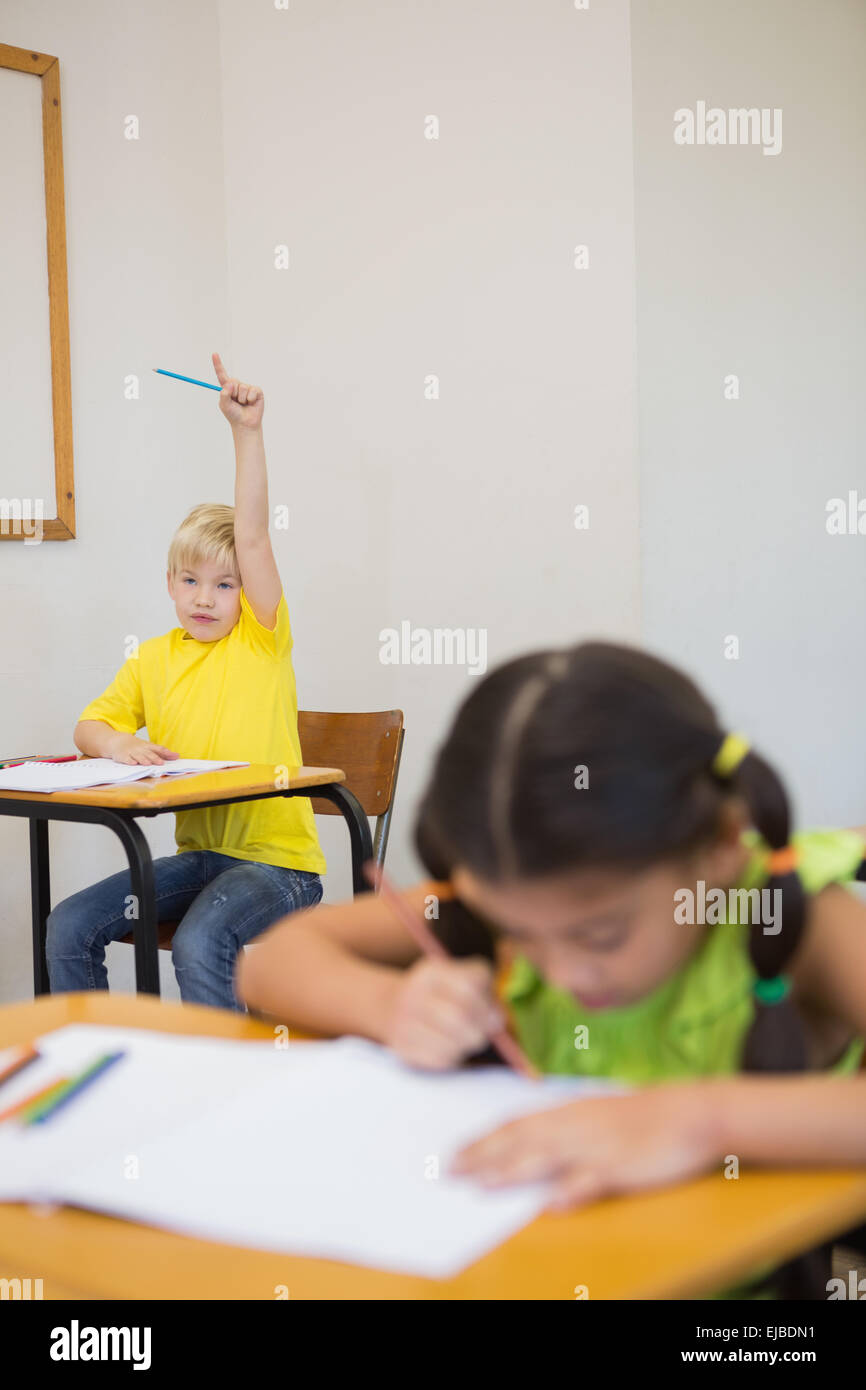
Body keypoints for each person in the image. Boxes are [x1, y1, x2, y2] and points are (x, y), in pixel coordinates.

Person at [236, 642, 866, 1296]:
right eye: (517, 933)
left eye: (600, 935)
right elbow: (271, 961)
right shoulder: (516, 896)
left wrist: (700, 1121)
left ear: (722, 845)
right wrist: (391, 1006)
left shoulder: (787, 913)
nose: (563, 972)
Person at [47, 353, 324, 1008]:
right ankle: (107, 1072)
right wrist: (117, 746)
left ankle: (222, 1092)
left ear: (245, 592)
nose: (206, 598)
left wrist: (246, 431)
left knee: (202, 943)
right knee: (68, 926)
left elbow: (252, 537)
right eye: (192, 581)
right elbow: (89, 727)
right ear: (170, 583)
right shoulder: (152, 657)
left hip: (278, 865)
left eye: (225, 585)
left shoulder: (260, 638)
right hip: (200, 859)